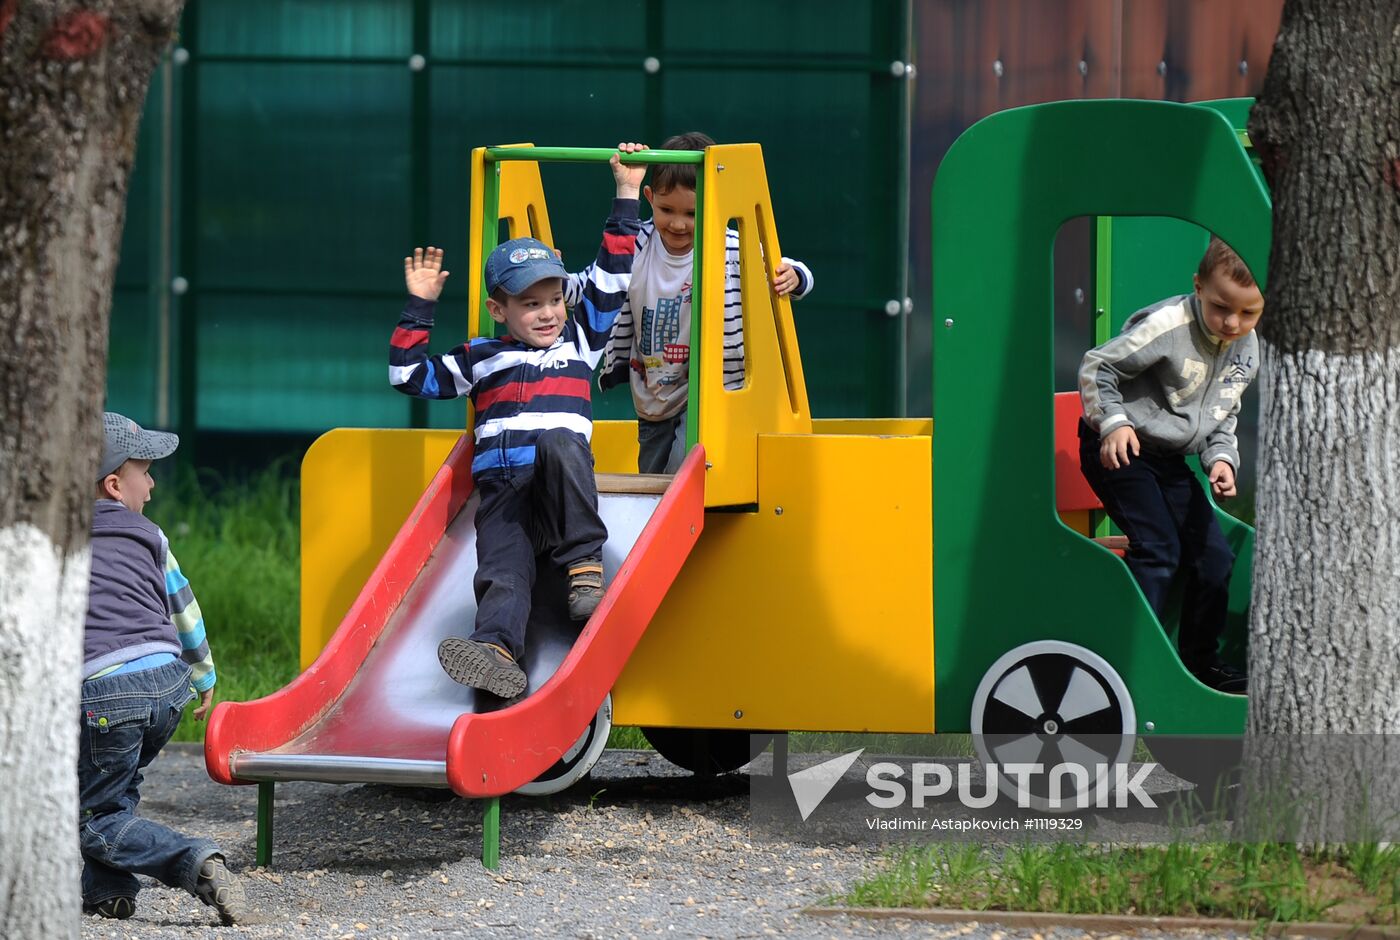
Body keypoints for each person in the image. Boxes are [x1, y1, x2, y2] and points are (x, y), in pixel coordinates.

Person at [390, 146, 645, 698]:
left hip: (559, 487)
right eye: (530, 304)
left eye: (554, 299)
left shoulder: (581, 341)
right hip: (503, 492)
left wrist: (626, 194)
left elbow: (611, 278)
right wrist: (419, 309)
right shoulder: (481, 356)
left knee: (558, 440)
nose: (548, 312)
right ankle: (496, 651)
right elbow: (408, 376)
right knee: (501, 573)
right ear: (498, 309)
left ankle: (584, 565)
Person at [1078, 236, 1263, 695]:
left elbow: (1223, 410)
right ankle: (1127, 660)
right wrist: (1114, 423)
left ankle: (1201, 665)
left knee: (1215, 558)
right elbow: (1098, 366)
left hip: (1169, 460)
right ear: (1198, 286)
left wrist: (1220, 458)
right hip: (1120, 447)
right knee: (1159, 549)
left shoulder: (1246, 347)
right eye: (1221, 307)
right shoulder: (1168, 324)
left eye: (1248, 313)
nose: (1232, 322)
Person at [80, 412, 245, 924]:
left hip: (109, 690)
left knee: (90, 815)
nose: (151, 486)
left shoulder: (56, 538)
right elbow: (183, 607)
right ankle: (110, 892)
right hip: (169, 684)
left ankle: (192, 860)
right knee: (112, 787)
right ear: (113, 484)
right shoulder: (150, 535)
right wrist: (204, 677)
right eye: (145, 473)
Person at [596, 132, 815, 474]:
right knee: (651, 482)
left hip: (710, 387)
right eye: (667, 210)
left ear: (714, 202)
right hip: (655, 388)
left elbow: (779, 265)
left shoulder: (730, 245)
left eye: (692, 213)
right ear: (650, 198)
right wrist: (555, 280)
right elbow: (603, 277)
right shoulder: (640, 242)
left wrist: (796, 276)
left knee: (681, 472)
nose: (679, 223)